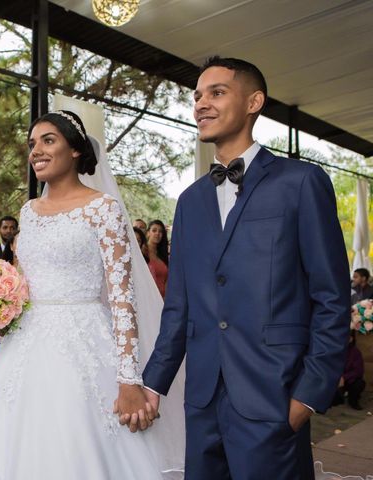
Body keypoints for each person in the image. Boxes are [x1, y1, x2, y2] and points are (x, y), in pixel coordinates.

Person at [0, 110, 185, 479]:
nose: (36, 150)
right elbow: (22, 279)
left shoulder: (103, 209)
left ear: (76, 151)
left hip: (84, 342)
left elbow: (122, 300)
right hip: (23, 343)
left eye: (48, 140)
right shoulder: (29, 211)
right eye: (32, 144)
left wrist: (130, 380)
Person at [138, 57, 350, 479]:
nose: (201, 104)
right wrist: (152, 384)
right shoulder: (190, 201)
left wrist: (307, 396)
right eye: (197, 96)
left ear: (254, 102)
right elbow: (179, 305)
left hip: (274, 393)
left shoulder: (302, 182)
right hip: (201, 400)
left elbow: (331, 296)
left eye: (217, 93)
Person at [333, 331, 366, 410]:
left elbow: (358, 371)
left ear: (351, 339)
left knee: (359, 384)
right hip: (335, 379)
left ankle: (353, 401)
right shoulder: (334, 351)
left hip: (350, 380)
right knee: (335, 401)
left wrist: (344, 378)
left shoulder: (355, 352)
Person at [147, 220, 169, 298]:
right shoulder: (143, 252)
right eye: (154, 230)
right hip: (148, 297)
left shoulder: (163, 254)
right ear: (148, 233)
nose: (157, 233)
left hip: (163, 299)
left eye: (160, 231)